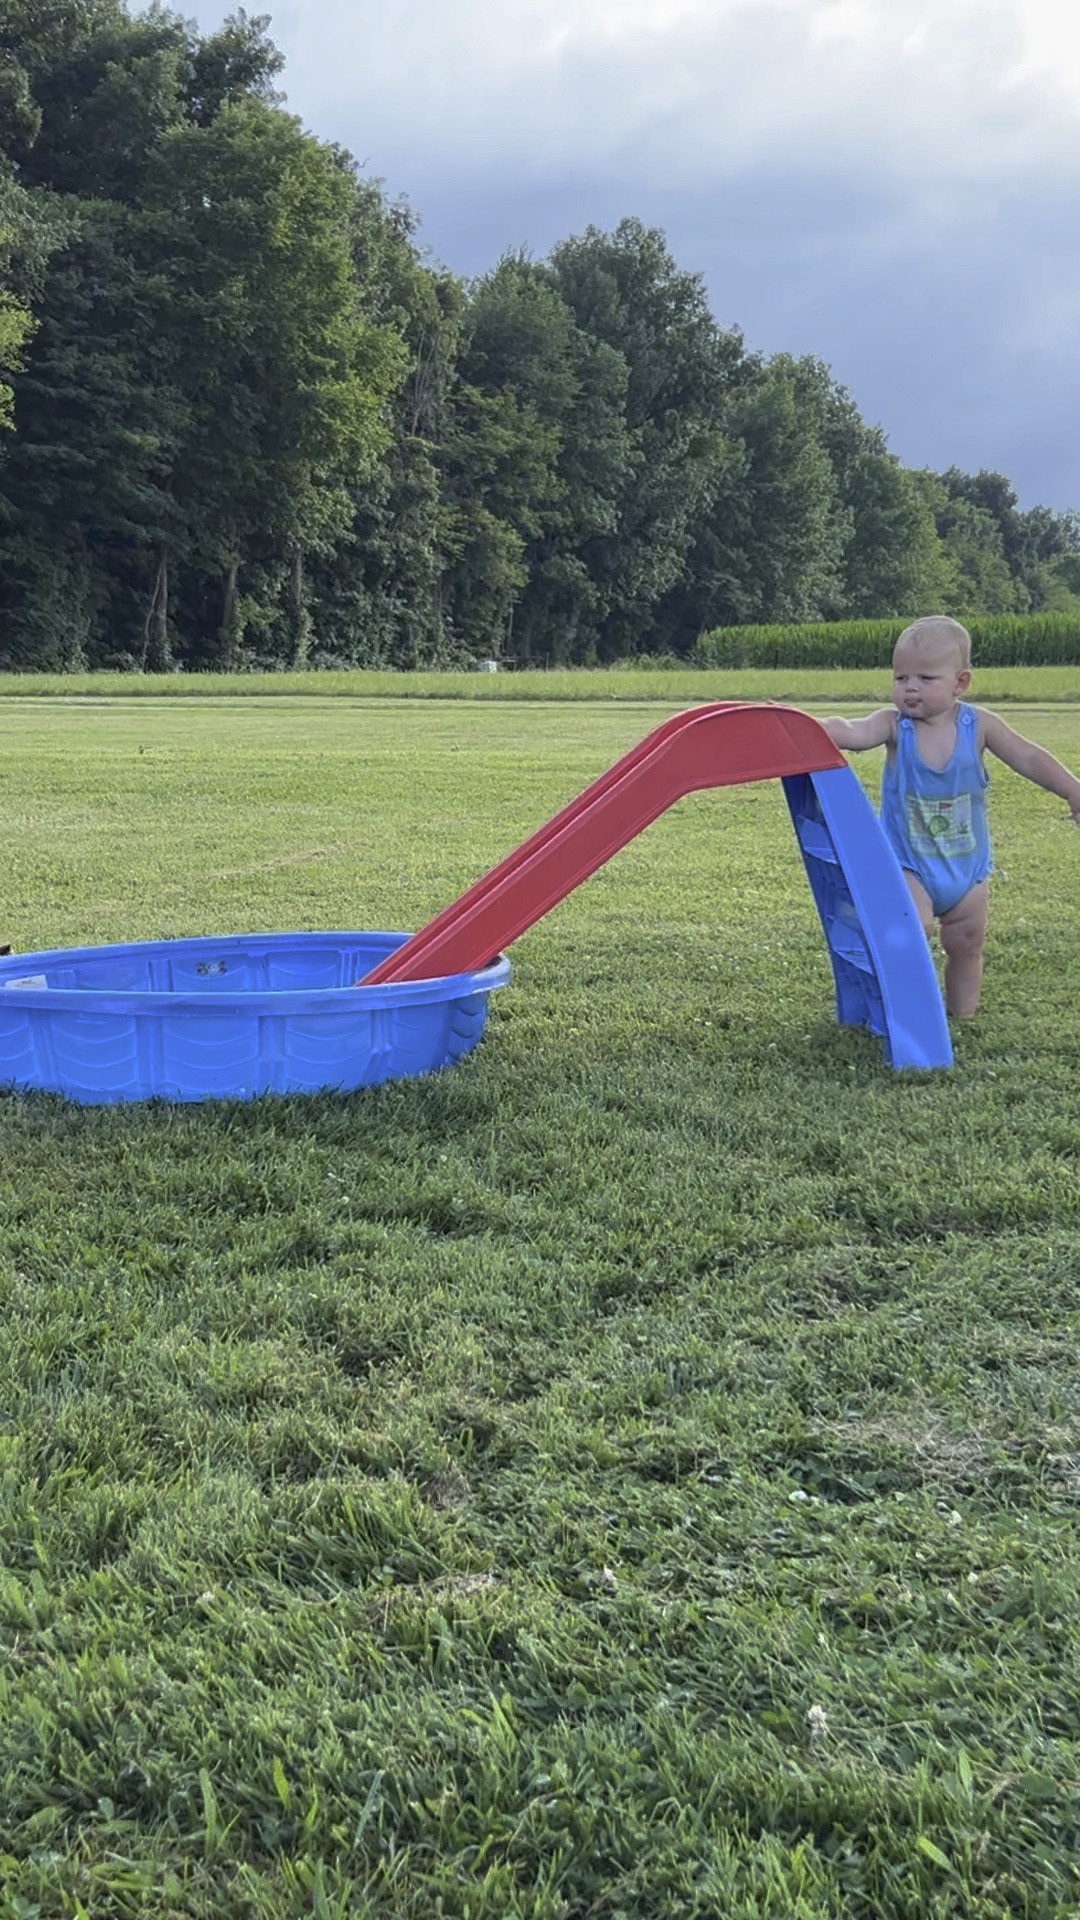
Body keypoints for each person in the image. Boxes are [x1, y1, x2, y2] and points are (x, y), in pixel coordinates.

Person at [821, 615, 1080, 1018]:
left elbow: (1028, 756)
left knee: (967, 942)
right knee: (911, 931)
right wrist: (809, 726)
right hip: (909, 865)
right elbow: (852, 731)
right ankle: (904, 1012)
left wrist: (1072, 789)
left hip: (967, 870)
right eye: (901, 676)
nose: (909, 687)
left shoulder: (980, 727)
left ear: (960, 683)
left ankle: (963, 1017)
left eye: (925, 678)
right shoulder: (893, 726)